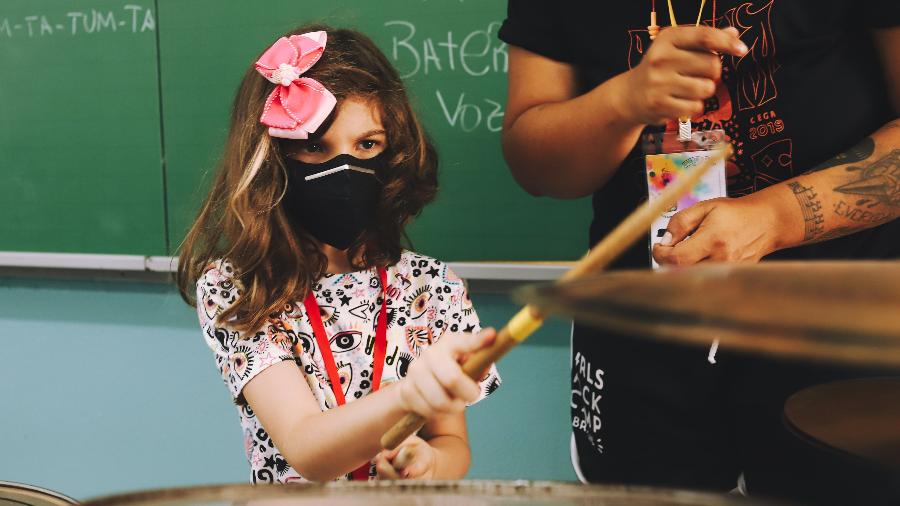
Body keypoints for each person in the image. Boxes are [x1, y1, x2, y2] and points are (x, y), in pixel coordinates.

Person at [499, 1, 899, 503]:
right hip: (645, 325)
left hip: (841, 322)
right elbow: (536, 168)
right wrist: (624, 101)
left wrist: (775, 218)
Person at [176, 25, 500, 484]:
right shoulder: (238, 289)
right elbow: (309, 451)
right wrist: (412, 394)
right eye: (314, 147)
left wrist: (428, 464)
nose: (345, 169)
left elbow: (451, 445)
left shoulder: (431, 287)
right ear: (271, 157)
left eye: (367, 145)